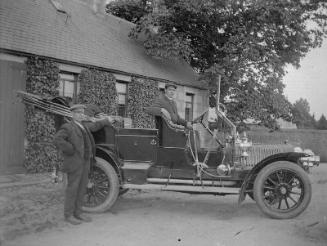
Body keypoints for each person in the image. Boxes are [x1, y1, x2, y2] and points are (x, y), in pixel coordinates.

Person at [53, 104, 113, 225]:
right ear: (72, 114)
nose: (81, 115)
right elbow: (57, 139)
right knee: (72, 189)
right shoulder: (68, 127)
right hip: (74, 162)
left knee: (81, 189)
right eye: (78, 113)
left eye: (82, 113)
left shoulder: (83, 126)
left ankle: (78, 213)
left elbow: (90, 136)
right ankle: (68, 215)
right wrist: (70, 149)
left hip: (85, 162)